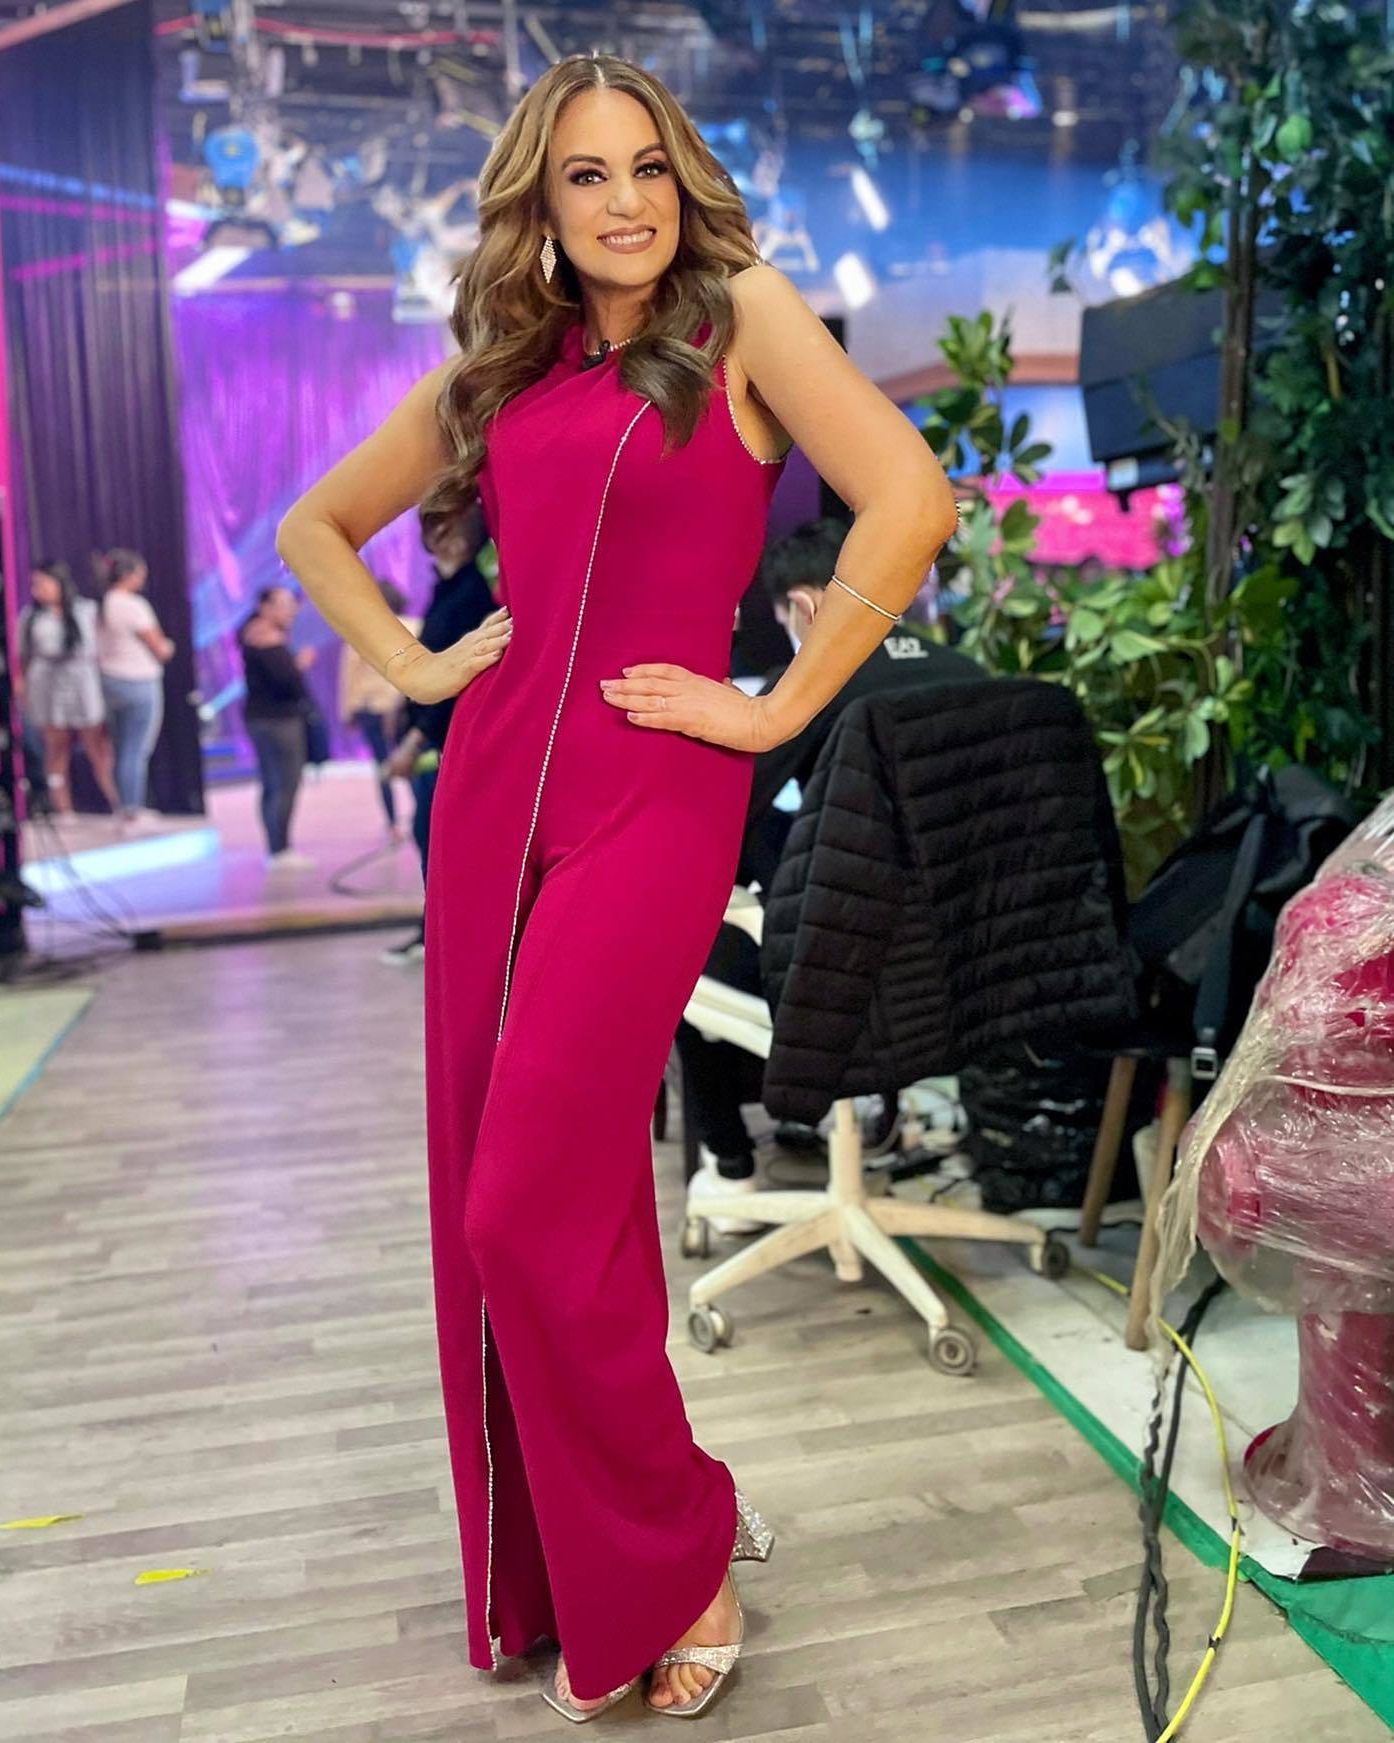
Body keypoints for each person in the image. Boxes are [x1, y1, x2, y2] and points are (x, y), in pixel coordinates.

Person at [275, 53, 955, 1722]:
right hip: (492, 794)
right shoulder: (503, 369)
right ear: (545, 201)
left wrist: (778, 708)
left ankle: (680, 1529)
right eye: (586, 175)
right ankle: (591, 1558)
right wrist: (416, 666)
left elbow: (911, 499)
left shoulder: (744, 317)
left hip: (657, 789)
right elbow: (314, 528)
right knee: (537, 1194)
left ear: (682, 176)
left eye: (646, 165)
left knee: (517, 1204)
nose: (624, 200)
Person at [675, 516, 985, 1231]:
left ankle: (733, 1171)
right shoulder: (970, 675)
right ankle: (859, 1114)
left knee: (683, 947)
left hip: (849, 970)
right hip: (966, 968)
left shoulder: (816, 680)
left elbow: (731, 810)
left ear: (803, 607)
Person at [378, 504, 495, 968]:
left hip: (447, 741)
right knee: (429, 838)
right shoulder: (447, 588)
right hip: (433, 737)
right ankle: (435, 934)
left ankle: (441, 937)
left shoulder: (471, 594)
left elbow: (456, 676)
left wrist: (415, 740)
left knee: (437, 841)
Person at [15, 560, 122, 817]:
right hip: (46, 683)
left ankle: (120, 802)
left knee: (98, 746)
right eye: (34, 584)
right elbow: (23, 657)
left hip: (82, 679)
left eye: (43, 582)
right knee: (56, 747)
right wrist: (22, 687)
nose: (38, 589)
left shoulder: (86, 610)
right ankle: (63, 809)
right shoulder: (30, 617)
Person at [94, 547, 176, 824]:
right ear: (127, 575)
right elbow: (159, 646)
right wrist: (168, 648)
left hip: (109, 680)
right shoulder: (133, 605)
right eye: (140, 573)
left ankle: (123, 806)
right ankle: (132, 808)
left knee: (121, 748)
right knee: (136, 749)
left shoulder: (102, 603)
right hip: (138, 681)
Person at [239, 585, 317, 868]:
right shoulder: (268, 640)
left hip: (259, 718)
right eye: (284, 604)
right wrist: (299, 666)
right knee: (285, 783)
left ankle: (275, 847)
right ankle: (280, 849)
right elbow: (289, 684)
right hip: (280, 721)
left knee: (271, 784)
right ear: (265, 607)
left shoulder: (250, 635)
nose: (291, 611)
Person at [338, 578, 418, 842]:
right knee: (412, 762)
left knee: (383, 767)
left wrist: (347, 711)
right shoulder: (416, 626)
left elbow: (349, 675)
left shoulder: (361, 632)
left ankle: (393, 824)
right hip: (405, 706)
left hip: (370, 708)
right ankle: (422, 815)